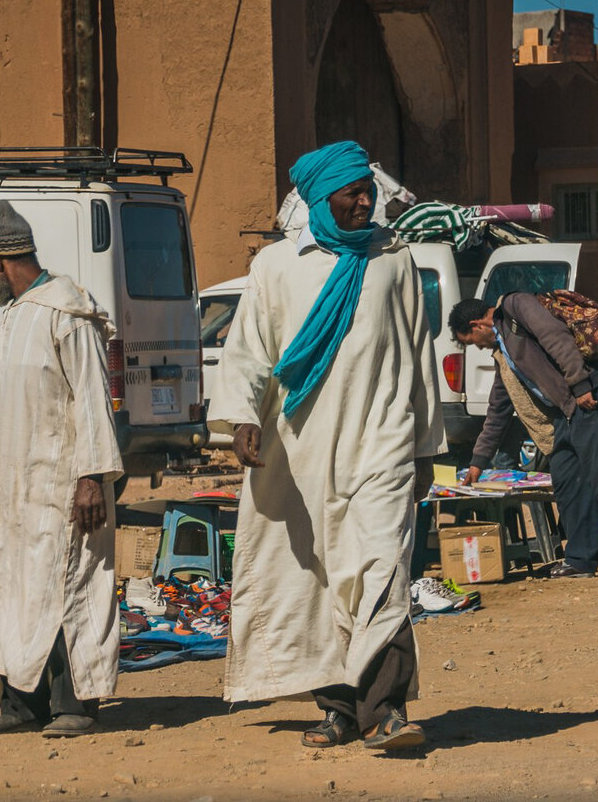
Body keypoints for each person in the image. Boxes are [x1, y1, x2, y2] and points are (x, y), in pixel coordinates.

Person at [208, 141, 445, 751]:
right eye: (351, 194)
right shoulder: (277, 267)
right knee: (316, 579)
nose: (366, 202)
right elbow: (248, 353)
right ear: (319, 198)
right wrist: (239, 419)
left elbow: (419, 355)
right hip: (303, 450)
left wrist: (422, 447)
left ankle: (387, 709)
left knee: (382, 570)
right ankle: (339, 710)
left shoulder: (393, 261)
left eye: (368, 192)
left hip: (383, 443)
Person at [0, 200, 123, 738]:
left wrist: (91, 477)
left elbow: (91, 400)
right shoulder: (15, 315)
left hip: (60, 488)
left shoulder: (66, 312)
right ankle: (22, 706)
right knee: (12, 591)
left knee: (64, 592)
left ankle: (75, 707)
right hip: (12, 492)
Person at [449, 297, 598, 579]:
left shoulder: (515, 305)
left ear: (477, 325)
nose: (479, 346)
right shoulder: (505, 353)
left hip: (587, 392)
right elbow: (498, 410)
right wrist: (478, 462)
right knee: (566, 476)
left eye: (473, 340)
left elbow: (556, 337)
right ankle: (580, 559)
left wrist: (580, 384)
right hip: (567, 408)